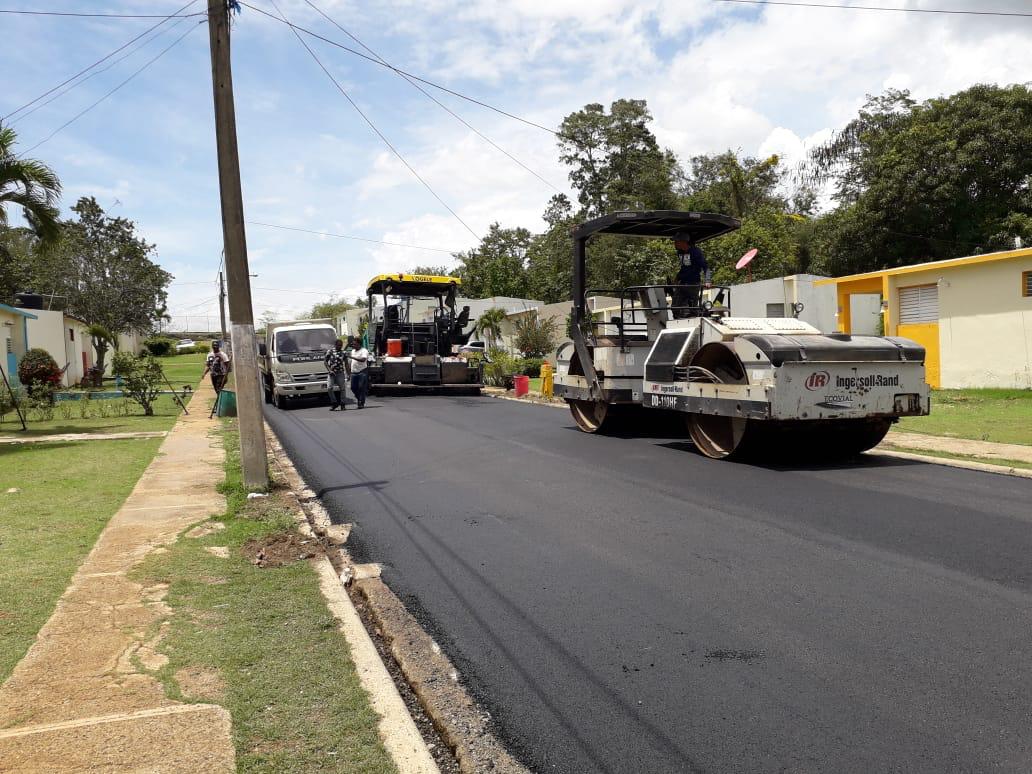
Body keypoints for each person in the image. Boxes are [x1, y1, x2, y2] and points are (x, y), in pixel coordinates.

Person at [672, 234, 711, 318]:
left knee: (693, 308)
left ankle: (695, 318)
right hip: (683, 283)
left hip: (693, 283)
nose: (674, 244)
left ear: (683, 242)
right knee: (675, 307)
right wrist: (678, 277)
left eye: (676, 242)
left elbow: (705, 266)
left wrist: (707, 280)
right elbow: (684, 267)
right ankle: (678, 321)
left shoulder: (696, 252)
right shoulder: (679, 252)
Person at [324, 338, 349, 411]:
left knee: (342, 389)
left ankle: (343, 404)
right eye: (338, 345)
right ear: (335, 345)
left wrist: (348, 374)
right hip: (332, 373)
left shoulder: (343, 352)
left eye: (341, 345)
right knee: (329, 388)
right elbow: (325, 362)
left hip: (340, 373)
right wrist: (329, 370)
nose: (340, 347)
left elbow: (346, 364)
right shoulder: (330, 351)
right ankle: (334, 402)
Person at [348, 336, 370, 409]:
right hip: (354, 372)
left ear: (359, 344)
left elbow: (363, 359)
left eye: (354, 344)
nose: (353, 346)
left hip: (362, 371)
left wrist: (352, 357)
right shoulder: (353, 351)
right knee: (353, 388)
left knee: (361, 387)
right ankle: (359, 399)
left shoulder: (364, 351)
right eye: (353, 344)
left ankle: (361, 402)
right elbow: (351, 362)